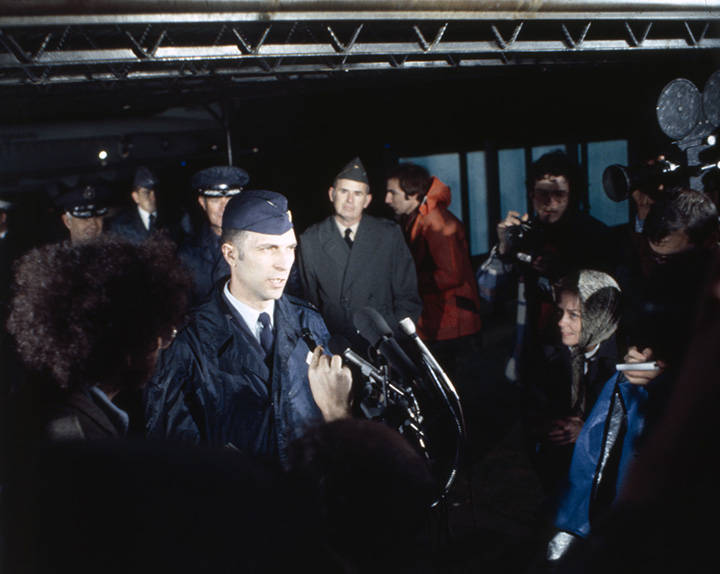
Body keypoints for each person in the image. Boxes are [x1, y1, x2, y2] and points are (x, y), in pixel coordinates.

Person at [145, 190, 352, 467]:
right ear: (230, 254)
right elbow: (175, 456)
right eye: (268, 249)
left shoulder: (309, 323)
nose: (284, 263)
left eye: (289, 248)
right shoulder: (187, 344)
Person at [5, 236, 190, 443]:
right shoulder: (79, 438)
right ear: (133, 347)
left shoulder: (56, 407)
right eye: (161, 338)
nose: (160, 347)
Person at [476, 150, 611, 386]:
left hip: (579, 354)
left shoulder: (594, 235)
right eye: (542, 194)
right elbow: (485, 295)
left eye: (559, 194)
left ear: (572, 196)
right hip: (530, 350)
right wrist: (504, 250)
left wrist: (563, 273)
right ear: (531, 194)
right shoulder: (523, 234)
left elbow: (607, 304)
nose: (549, 203)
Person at [298, 157, 422, 346]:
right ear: (332, 194)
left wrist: (392, 342)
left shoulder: (388, 235)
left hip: (382, 344)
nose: (349, 200)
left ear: (367, 200)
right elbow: (307, 304)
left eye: (357, 193)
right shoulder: (311, 240)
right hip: (335, 345)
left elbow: (408, 297)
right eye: (344, 191)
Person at [384, 162, 482, 379]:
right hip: (438, 321)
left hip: (451, 327)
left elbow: (451, 275)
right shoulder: (418, 218)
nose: (387, 200)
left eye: (392, 193)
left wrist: (406, 282)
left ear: (412, 194)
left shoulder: (435, 221)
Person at [528, 270, 621, 495]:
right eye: (560, 312)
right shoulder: (549, 351)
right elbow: (532, 403)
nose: (561, 322)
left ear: (600, 316)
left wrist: (588, 431)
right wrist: (547, 425)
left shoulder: (623, 362)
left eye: (574, 315)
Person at [178, 165, 249, 305]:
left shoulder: (260, 244)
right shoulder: (187, 255)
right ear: (202, 203)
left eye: (230, 199)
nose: (224, 207)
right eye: (215, 200)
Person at [105, 166, 169, 244]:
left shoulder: (172, 221)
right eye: (147, 193)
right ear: (136, 197)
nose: (153, 198)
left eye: (155, 192)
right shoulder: (120, 226)